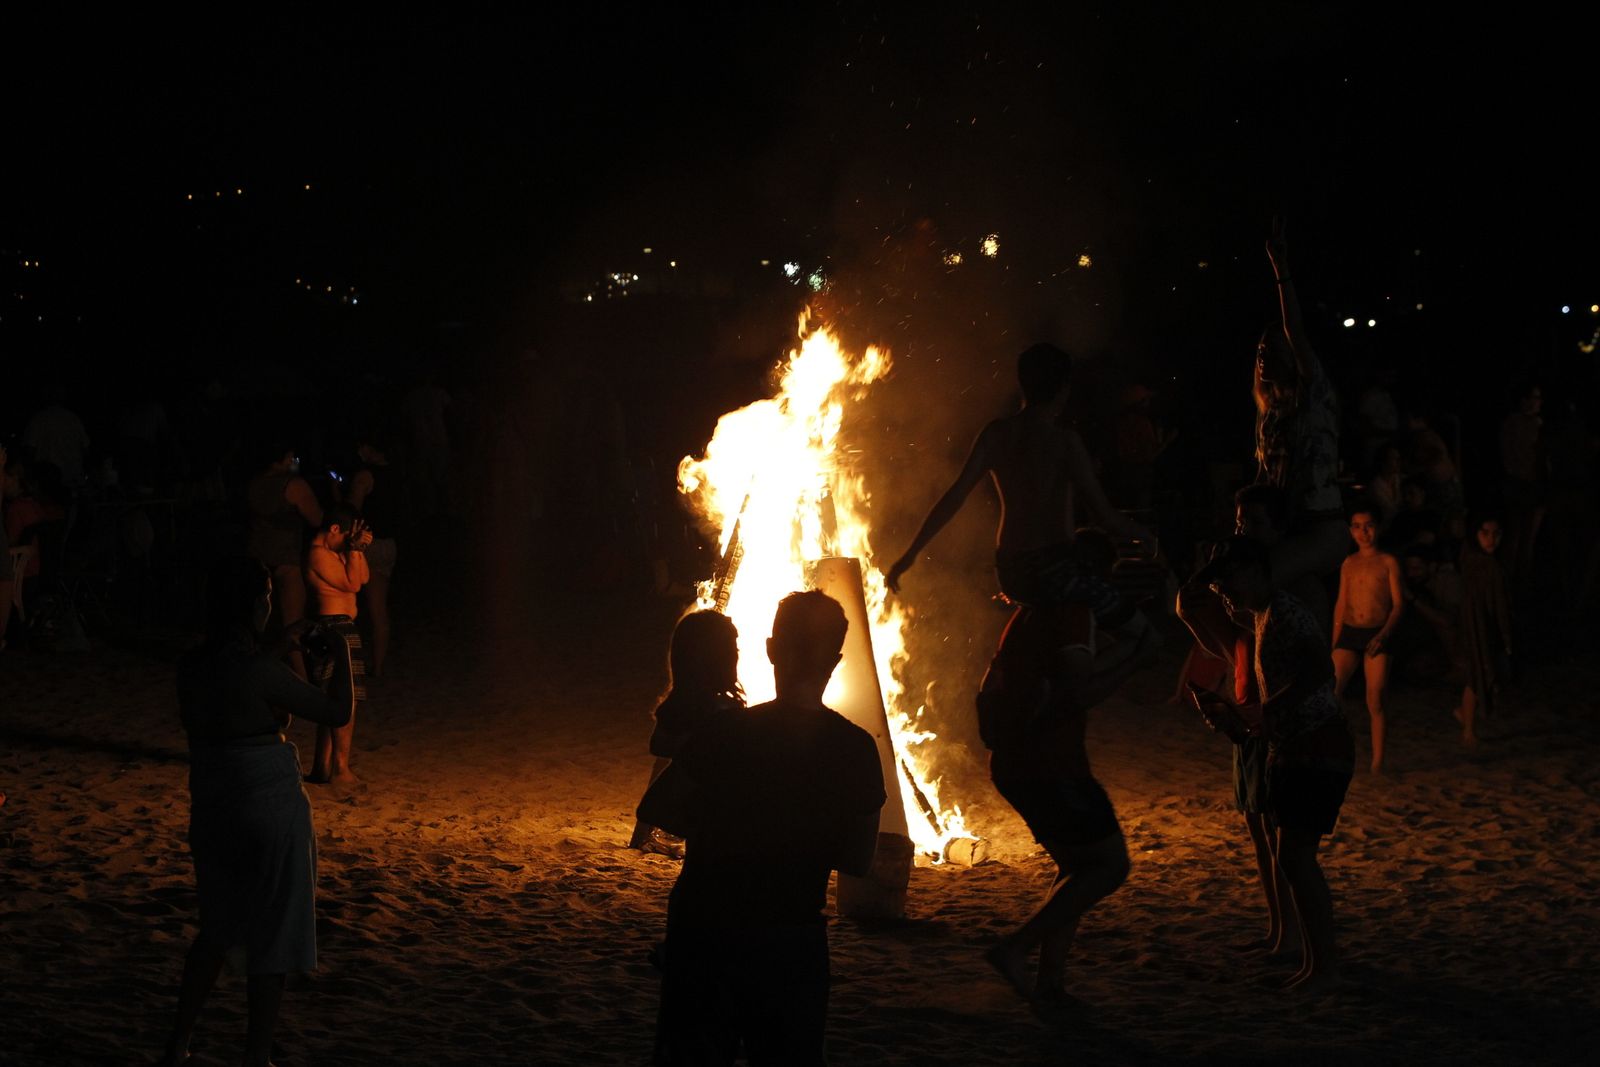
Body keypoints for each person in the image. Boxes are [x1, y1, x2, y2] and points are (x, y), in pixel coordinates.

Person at [639, 591, 884, 1066]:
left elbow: (658, 807)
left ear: (770, 649)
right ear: (835, 660)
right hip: (790, 940)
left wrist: (726, 825)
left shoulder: (725, 733)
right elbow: (858, 860)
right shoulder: (855, 750)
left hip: (706, 933)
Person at [159, 556, 353, 1067]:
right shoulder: (258, 670)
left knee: (217, 927)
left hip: (213, 798)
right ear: (251, 604)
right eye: (265, 595)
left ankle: (176, 1044)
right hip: (267, 800)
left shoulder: (193, 665)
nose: (270, 602)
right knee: (274, 930)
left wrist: (275, 646)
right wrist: (342, 652)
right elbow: (337, 712)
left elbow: (233, 684)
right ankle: (257, 1055)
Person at [980, 528, 1155, 1004]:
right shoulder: (1072, 612)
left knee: (1077, 867)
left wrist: (1125, 654)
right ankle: (1016, 949)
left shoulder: (1029, 612)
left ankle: (1050, 980)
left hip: (1018, 763)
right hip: (1051, 766)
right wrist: (1135, 660)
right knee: (1110, 866)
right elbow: (1080, 690)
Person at [886, 342, 1155, 646]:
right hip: (1055, 575)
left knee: (1089, 554)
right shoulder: (1065, 442)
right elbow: (1105, 516)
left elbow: (955, 497)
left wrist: (910, 555)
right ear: (1064, 388)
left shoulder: (996, 434)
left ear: (1023, 385)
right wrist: (1144, 535)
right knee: (1146, 637)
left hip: (1011, 575)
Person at [1193, 536, 1353, 996]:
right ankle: (1315, 963)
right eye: (1220, 584)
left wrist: (1265, 713)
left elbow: (1320, 671)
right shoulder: (1262, 616)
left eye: (1229, 580)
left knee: (1297, 858)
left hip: (1317, 744)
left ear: (1258, 572)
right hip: (1296, 744)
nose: (1223, 591)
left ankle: (1325, 967)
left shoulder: (1284, 613)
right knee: (1294, 858)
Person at [1178, 219, 1345, 655]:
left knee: (1252, 583)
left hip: (1320, 528)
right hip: (1281, 528)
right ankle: (1245, 664)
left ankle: (1281, 668)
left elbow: (1299, 334)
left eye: (1274, 350)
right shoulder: (1268, 416)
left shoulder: (1315, 399)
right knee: (1197, 595)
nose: (1265, 356)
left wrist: (1281, 270)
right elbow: (1262, 478)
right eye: (1260, 352)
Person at [629, 610, 746, 859]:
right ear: (717, 659)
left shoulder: (685, 707)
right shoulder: (718, 713)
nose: (738, 655)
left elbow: (660, 745)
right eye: (733, 648)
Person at [1330, 507, 1404, 773]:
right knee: (1331, 689)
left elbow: (1397, 605)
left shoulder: (1387, 562)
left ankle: (1378, 761)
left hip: (1377, 631)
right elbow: (1341, 604)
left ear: (1378, 528)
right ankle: (1337, 748)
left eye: (1369, 525)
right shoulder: (1349, 563)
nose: (1364, 532)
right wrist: (1335, 642)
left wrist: (1383, 635)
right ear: (1351, 531)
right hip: (1351, 631)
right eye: (1358, 526)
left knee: (1375, 697)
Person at [306, 505, 371, 784]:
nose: (348, 544)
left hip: (342, 626)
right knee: (346, 700)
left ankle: (322, 768)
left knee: (333, 698)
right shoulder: (318, 554)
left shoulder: (335, 551)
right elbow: (354, 583)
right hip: (333, 627)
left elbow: (364, 576)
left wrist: (357, 550)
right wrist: (353, 551)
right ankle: (341, 769)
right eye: (346, 538)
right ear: (334, 530)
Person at [245, 446, 323, 673]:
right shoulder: (293, 485)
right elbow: (316, 518)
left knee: (258, 625)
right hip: (286, 558)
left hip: (256, 557)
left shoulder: (253, 483)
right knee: (294, 624)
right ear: (279, 458)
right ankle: (301, 680)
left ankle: (255, 672)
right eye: (289, 455)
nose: (293, 459)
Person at [342, 440, 398, 679]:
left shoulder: (365, 476)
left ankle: (355, 666)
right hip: (389, 543)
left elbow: (351, 511)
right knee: (379, 609)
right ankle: (379, 666)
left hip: (367, 544)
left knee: (347, 605)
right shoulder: (397, 472)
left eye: (363, 446)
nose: (359, 451)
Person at [1455, 517, 1512, 746]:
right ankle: (1468, 729)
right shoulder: (1481, 564)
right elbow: (1495, 604)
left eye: (1496, 533)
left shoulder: (1480, 561)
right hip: (1476, 628)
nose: (1491, 539)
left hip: (1480, 627)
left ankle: (1465, 718)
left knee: (1478, 675)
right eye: (1485, 533)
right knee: (1475, 676)